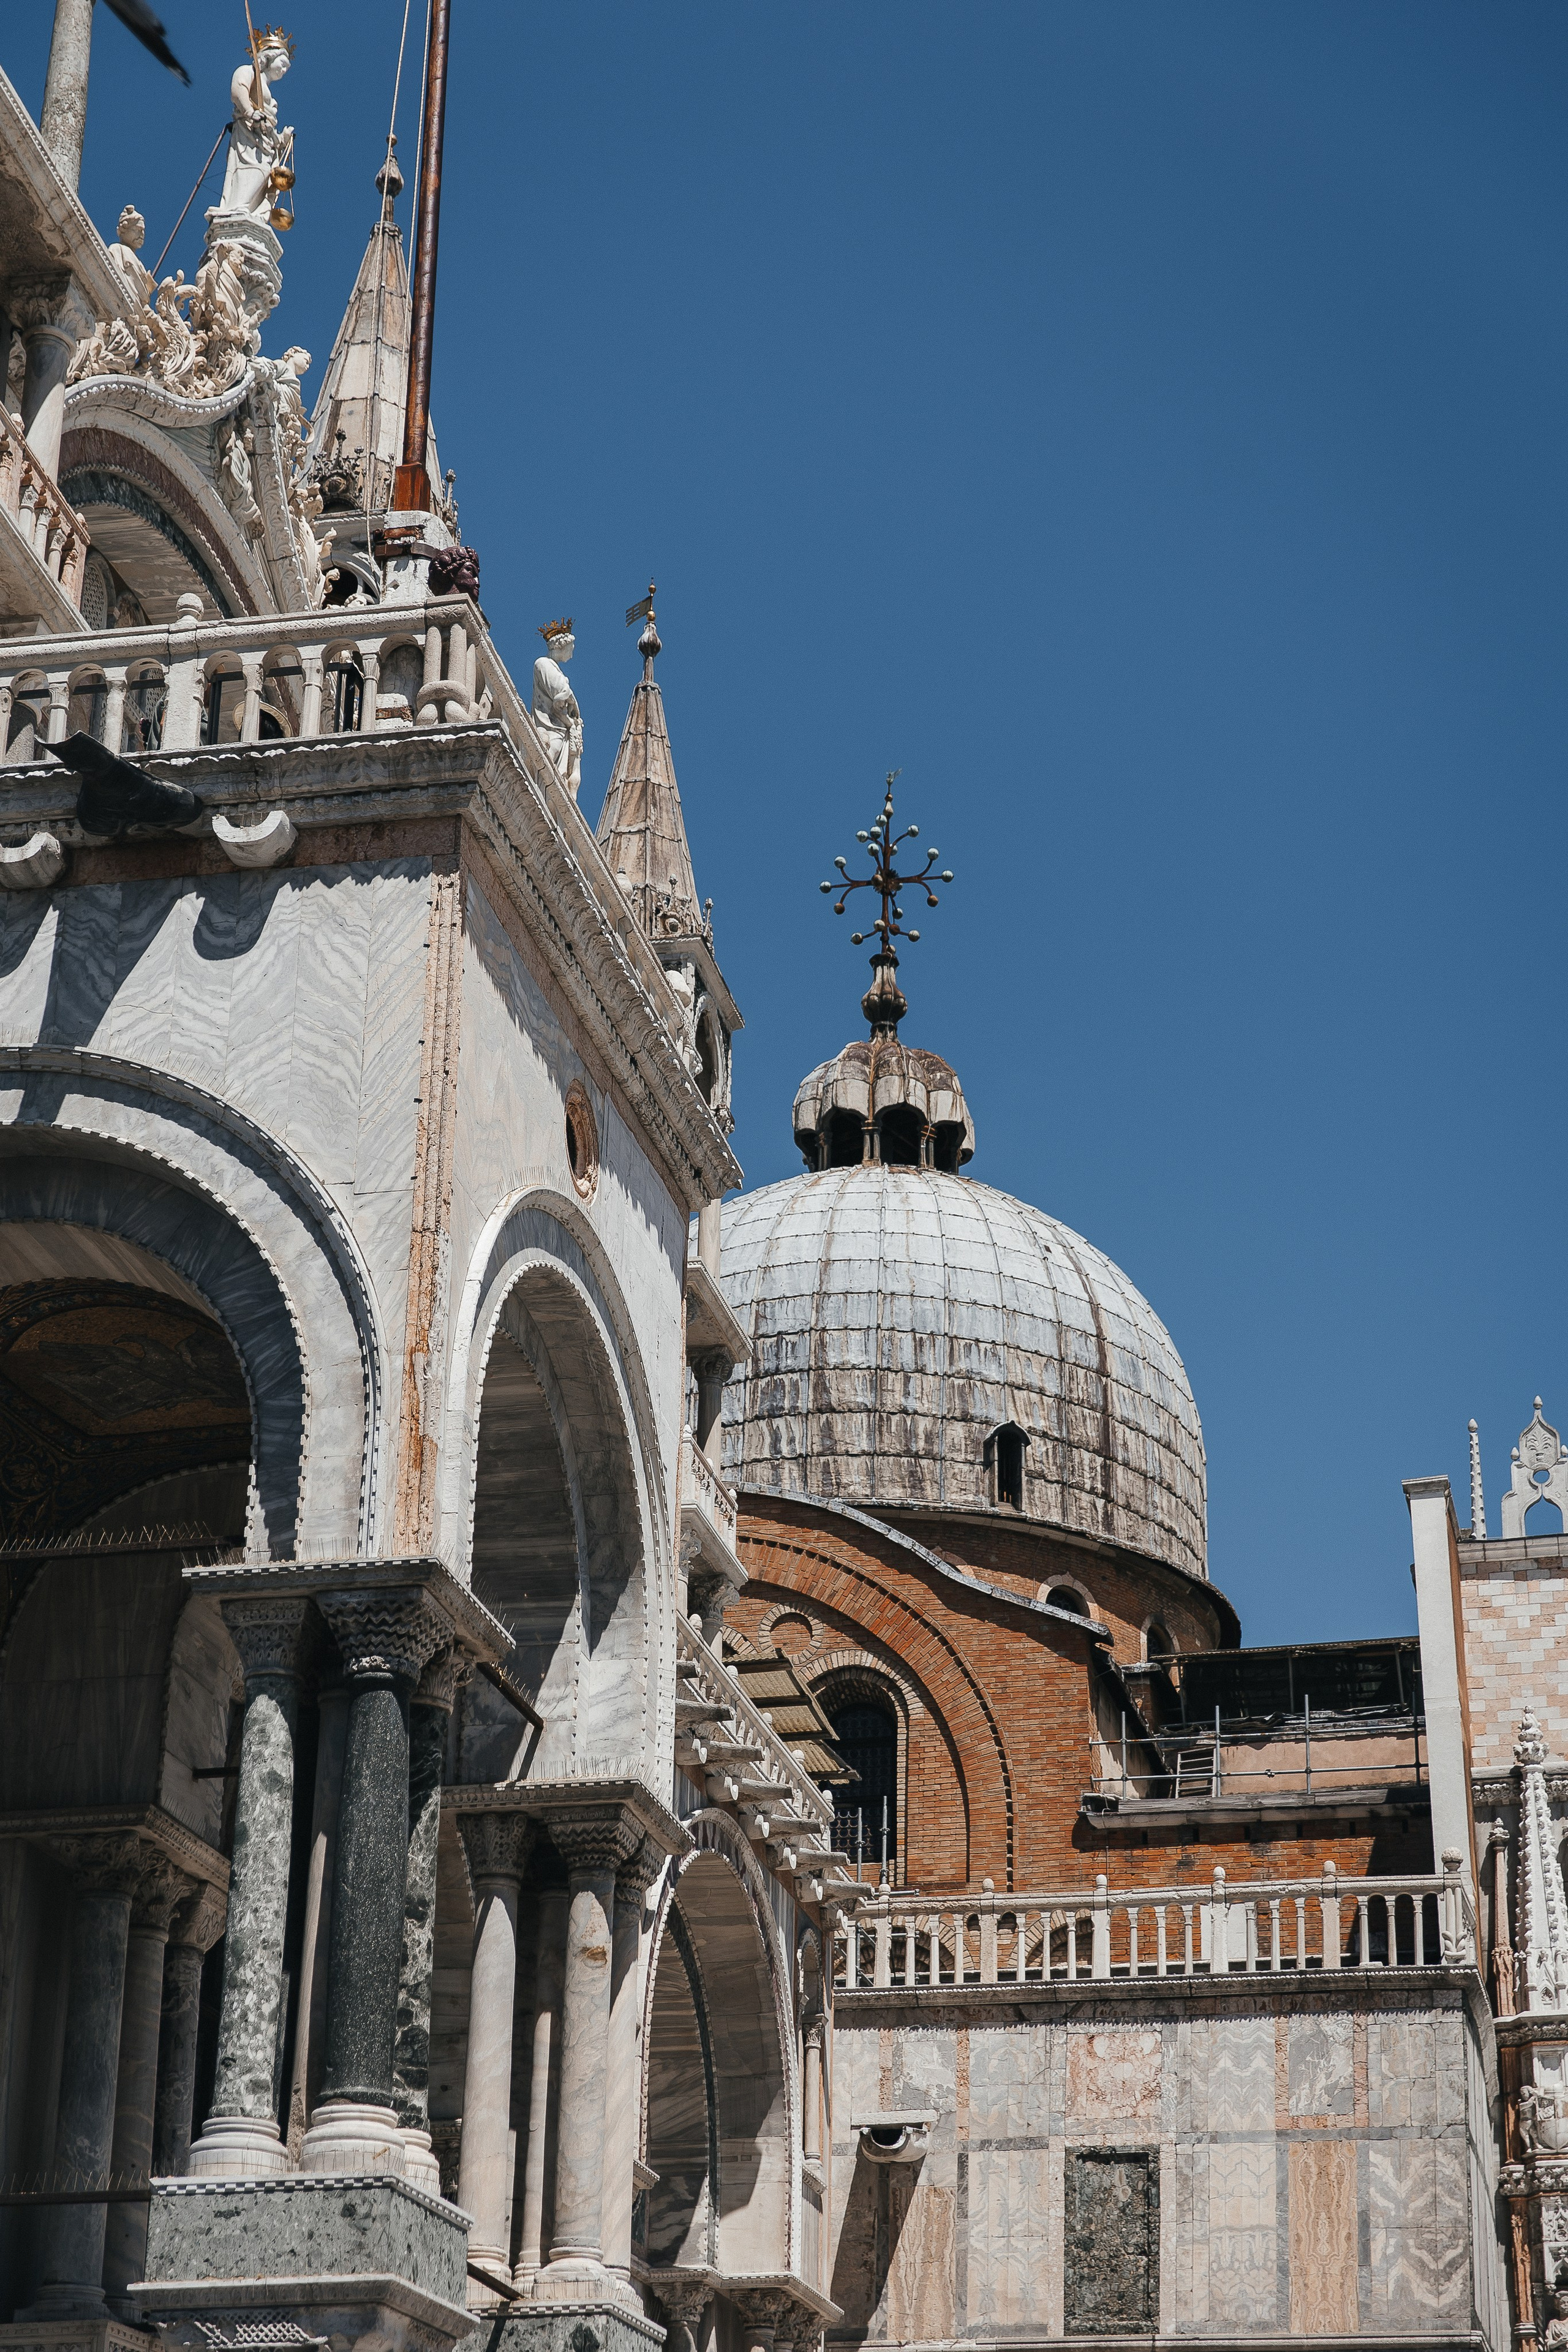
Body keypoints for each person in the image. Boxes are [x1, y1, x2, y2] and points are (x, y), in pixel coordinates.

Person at [221, 32, 294, 221]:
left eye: (287, 68)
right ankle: (239, 208)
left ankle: (248, 211)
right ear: (269, 57)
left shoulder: (267, 89)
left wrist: (281, 139)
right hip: (249, 134)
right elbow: (238, 90)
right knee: (256, 171)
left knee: (265, 177)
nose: (284, 70)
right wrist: (249, 112)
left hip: (266, 142)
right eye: (283, 64)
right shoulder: (248, 71)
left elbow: (269, 127)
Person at [532, 620, 582, 796]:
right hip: (552, 727)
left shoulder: (554, 668)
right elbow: (560, 693)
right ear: (562, 646)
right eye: (572, 647)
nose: (573, 651)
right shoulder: (543, 664)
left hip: (561, 728)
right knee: (548, 762)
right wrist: (570, 701)